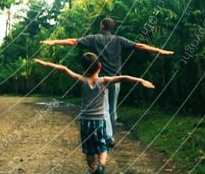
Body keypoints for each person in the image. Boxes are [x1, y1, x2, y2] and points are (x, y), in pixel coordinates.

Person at [40, 17, 173, 146]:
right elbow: (139, 45)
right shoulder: (119, 40)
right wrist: (158, 50)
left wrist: (54, 42)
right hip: (115, 80)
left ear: (101, 26)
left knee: (101, 110)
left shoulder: (94, 38)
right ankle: (110, 137)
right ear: (111, 28)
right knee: (112, 110)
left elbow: (73, 41)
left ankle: (102, 136)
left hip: (100, 81)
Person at [34, 53, 154, 174]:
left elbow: (63, 68)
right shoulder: (104, 81)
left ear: (84, 70)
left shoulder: (82, 80)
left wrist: (43, 63)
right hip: (99, 121)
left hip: (85, 121)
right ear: (100, 66)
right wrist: (140, 80)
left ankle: (94, 171)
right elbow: (124, 77)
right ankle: (101, 167)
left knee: (89, 152)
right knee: (103, 148)